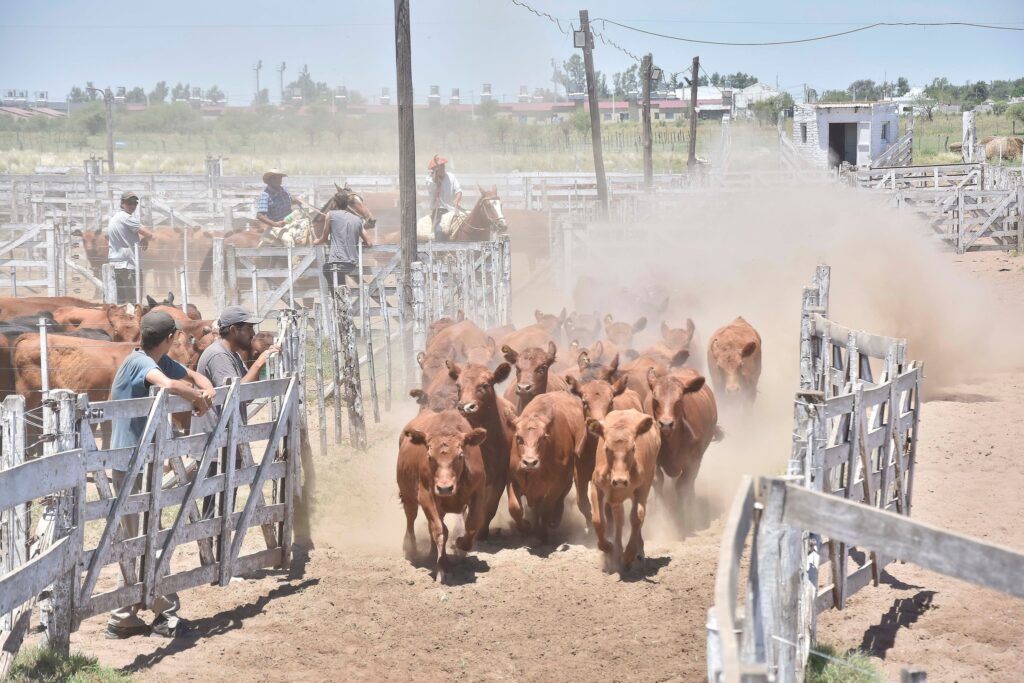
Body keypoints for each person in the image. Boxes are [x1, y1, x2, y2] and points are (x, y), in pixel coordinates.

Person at [106, 310, 216, 640]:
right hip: (130, 463)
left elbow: (190, 374)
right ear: (170, 338)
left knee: (141, 538)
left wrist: (206, 387)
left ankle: (124, 617)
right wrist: (195, 396)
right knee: (143, 539)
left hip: (142, 461)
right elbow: (168, 384)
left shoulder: (157, 359)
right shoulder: (140, 363)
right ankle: (163, 614)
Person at [191, 306, 280, 516]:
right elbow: (234, 395)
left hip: (224, 440)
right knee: (216, 508)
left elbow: (245, 394)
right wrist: (259, 364)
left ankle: (219, 538)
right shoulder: (218, 356)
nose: (252, 333)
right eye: (248, 328)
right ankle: (212, 538)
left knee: (224, 505)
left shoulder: (232, 355)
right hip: (215, 442)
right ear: (233, 330)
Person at [314, 193, 374, 286]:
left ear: (334, 204)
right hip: (352, 263)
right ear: (347, 204)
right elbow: (369, 243)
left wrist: (316, 241)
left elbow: (324, 238)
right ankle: (340, 292)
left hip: (337, 262)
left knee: (326, 269)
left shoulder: (330, 215)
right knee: (340, 283)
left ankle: (335, 293)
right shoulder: (357, 220)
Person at [106, 190, 154, 304]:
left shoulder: (115, 218)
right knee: (134, 301)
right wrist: (146, 239)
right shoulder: (127, 218)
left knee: (120, 301)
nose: (133, 206)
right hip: (129, 265)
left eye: (135, 203)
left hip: (116, 264)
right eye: (129, 203)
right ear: (122, 203)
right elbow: (149, 234)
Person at [426, 155, 462, 239]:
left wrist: (456, 200)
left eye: (443, 166)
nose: (442, 168)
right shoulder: (429, 179)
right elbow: (434, 182)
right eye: (439, 167)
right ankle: (439, 247)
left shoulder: (451, 176)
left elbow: (459, 191)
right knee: (439, 231)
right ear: (434, 169)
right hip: (439, 212)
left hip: (452, 211)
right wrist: (436, 173)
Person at [256, 169, 295, 241]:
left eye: (280, 178)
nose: (279, 180)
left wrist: (297, 200)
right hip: (277, 226)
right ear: (270, 180)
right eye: (276, 178)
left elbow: (291, 200)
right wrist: (275, 224)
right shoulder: (265, 195)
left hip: (291, 220)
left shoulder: (284, 190)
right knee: (289, 241)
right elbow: (260, 215)